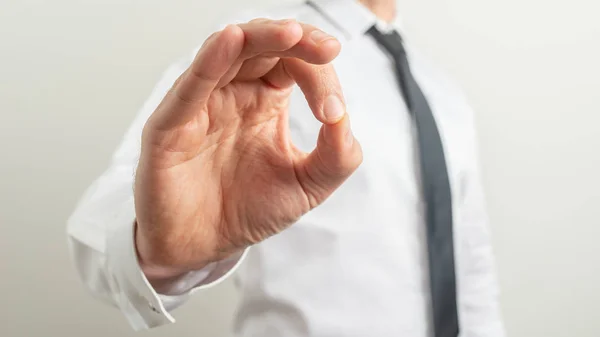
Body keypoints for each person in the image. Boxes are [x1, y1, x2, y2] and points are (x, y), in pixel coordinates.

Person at [67, 0, 506, 335]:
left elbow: (472, 267)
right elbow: (100, 223)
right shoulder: (250, 53)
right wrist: (161, 250)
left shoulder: (444, 93)